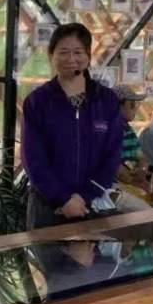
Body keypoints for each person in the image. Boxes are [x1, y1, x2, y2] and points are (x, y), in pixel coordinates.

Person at [22, 23, 123, 230]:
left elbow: (112, 155)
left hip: (92, 204)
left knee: (94, 251)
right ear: (51, 56)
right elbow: (33, 159)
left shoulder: (106, 101)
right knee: (47, 252)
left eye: (78, 52)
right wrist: (63, 199)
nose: (70, 59)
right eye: (63, 52)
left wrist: (84, 196)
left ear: (88, 56)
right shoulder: (37, 102)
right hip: (47, 206)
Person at [112, 85, 153, 211]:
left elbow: (141, 157)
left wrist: (142, 169)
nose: (136, 108)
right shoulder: (106, 131)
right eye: (132, 104)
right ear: (117, 106)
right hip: (117, 188)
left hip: (135, 183)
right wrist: (134, 180)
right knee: (150, 213)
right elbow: (114, 166)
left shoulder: (128, 130)